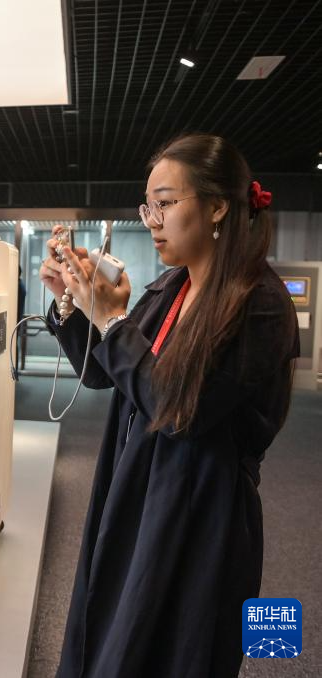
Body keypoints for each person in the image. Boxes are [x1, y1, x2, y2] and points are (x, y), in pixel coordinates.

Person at [39, 133, 299, 678]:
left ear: (218, 206)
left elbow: (180, 410)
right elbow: (103, 373)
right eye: (147, 207)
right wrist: (73, 303)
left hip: (200, 510)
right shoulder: (172, 287)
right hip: (136, 485)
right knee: (109, 630)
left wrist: (112, 319)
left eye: (165, 203)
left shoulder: (259, 304)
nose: (152, 221)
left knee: (175, 649)